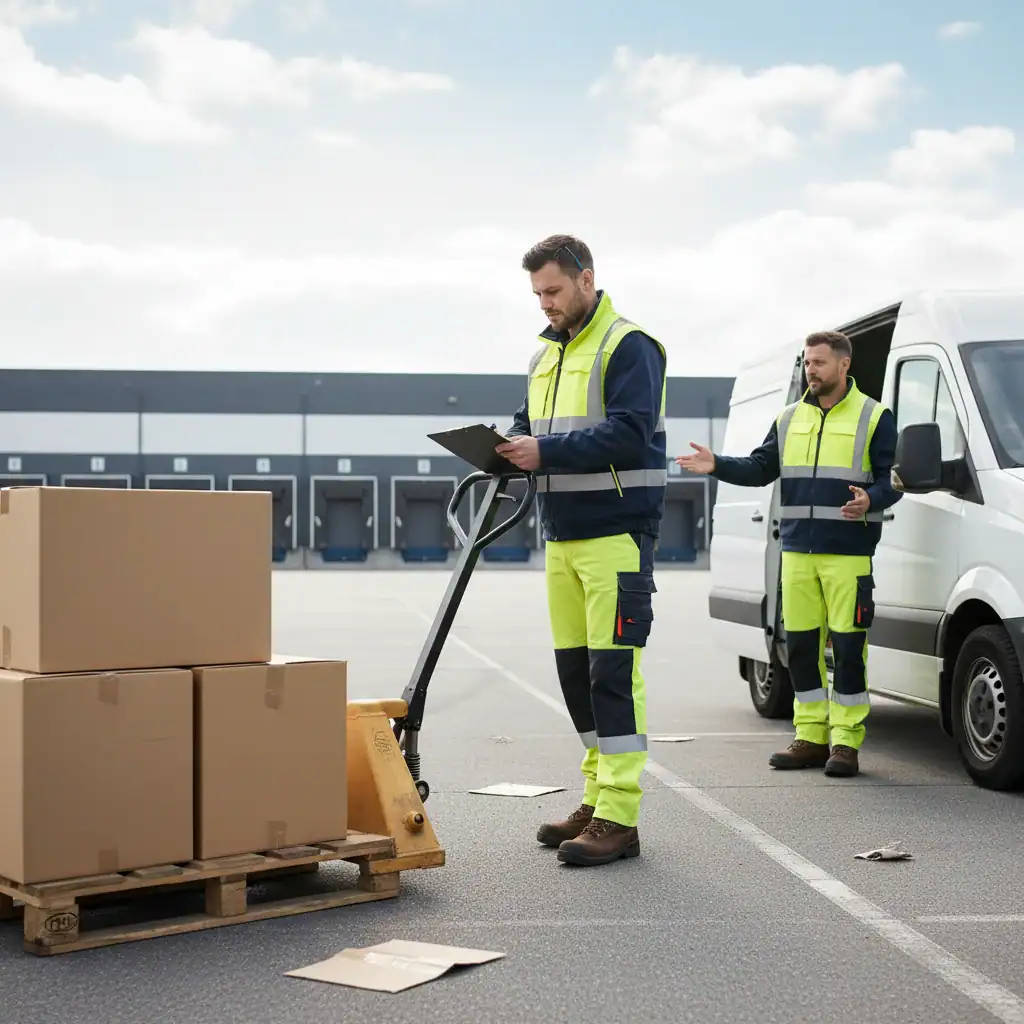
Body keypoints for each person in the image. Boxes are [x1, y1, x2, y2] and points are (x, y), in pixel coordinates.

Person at [495, 233, 667, 866]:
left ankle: (619, 816)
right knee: (576, 675)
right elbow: (529, 425)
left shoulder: (629, 345)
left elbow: (630, 432)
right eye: (537, 294)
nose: (545, 303)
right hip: (561, 534)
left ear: (586, 280)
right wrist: (504, 447)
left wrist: (543, 451)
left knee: (612, 675)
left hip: (616, 535)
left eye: (554, 290)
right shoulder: (545, 356)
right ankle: (596, 798)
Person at [676, 330, 901, 777]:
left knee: (848, 649)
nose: (810, 370)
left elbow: (892, 480)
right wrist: (717, 464)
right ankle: (810, 737)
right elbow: (761, 467)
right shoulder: (788, 418)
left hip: (848, 554)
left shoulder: (875, 416)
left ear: (843, 365)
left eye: (819, 362)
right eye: (807, 362)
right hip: (797, 553)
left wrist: (871, 499)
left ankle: (845, 742)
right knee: (799, 648)